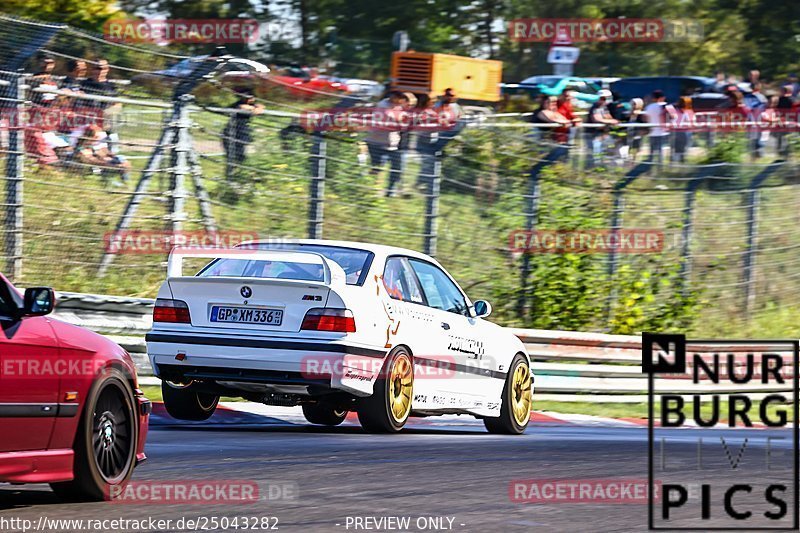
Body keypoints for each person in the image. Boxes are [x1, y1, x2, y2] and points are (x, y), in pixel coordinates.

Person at [222, 91, 264, 179]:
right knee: (232, 157)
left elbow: (260, 108)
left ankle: (241, 176)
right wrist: (255, 108)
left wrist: (257, 107)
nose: (251, 99)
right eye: (248, 97)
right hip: (232, 133)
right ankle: (230, 177)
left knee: (241, 157)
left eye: (252, 97)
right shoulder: (238, 105)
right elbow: (248, 109)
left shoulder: (252, 105)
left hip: (242, 133)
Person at [364, 90, 405, 177]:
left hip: (391, 143)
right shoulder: (383, 105)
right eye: (399, 99)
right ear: (393, 97)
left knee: (393, 167)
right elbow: (391, 117)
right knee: (377, 166)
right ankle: (368, 181)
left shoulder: (397, 106)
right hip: (377, 141)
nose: (400, 102)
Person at [584, 90, 618, 168]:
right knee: (595, 153)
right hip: (592, 134)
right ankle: (592, 168)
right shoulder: (595, 107)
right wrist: (610, 121)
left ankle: (602, 167)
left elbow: (608, 117)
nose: (604, 100)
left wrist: (610, 120)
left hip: (602, 134)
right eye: (603, 98)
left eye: (606, 98)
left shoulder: (604, 107)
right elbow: (596, 119)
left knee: (605, 150)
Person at [643, 90, 674, 166]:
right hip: (664, 131)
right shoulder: (667, 106)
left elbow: (646, 118)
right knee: (662, 150)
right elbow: (673, 116)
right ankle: (661, 165)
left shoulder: (649, 107)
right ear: (663, 97)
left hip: (652, 131)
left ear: (653, 98)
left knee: (652, 150)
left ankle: (650, 164)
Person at [671, 97, 694, 163]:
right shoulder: (688, 111)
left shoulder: (675, 110)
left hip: (677, 130)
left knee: (677, 147)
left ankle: (677, 160)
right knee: (683, 147)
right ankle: (681, 160)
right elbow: (691, 120)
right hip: (684, 130)